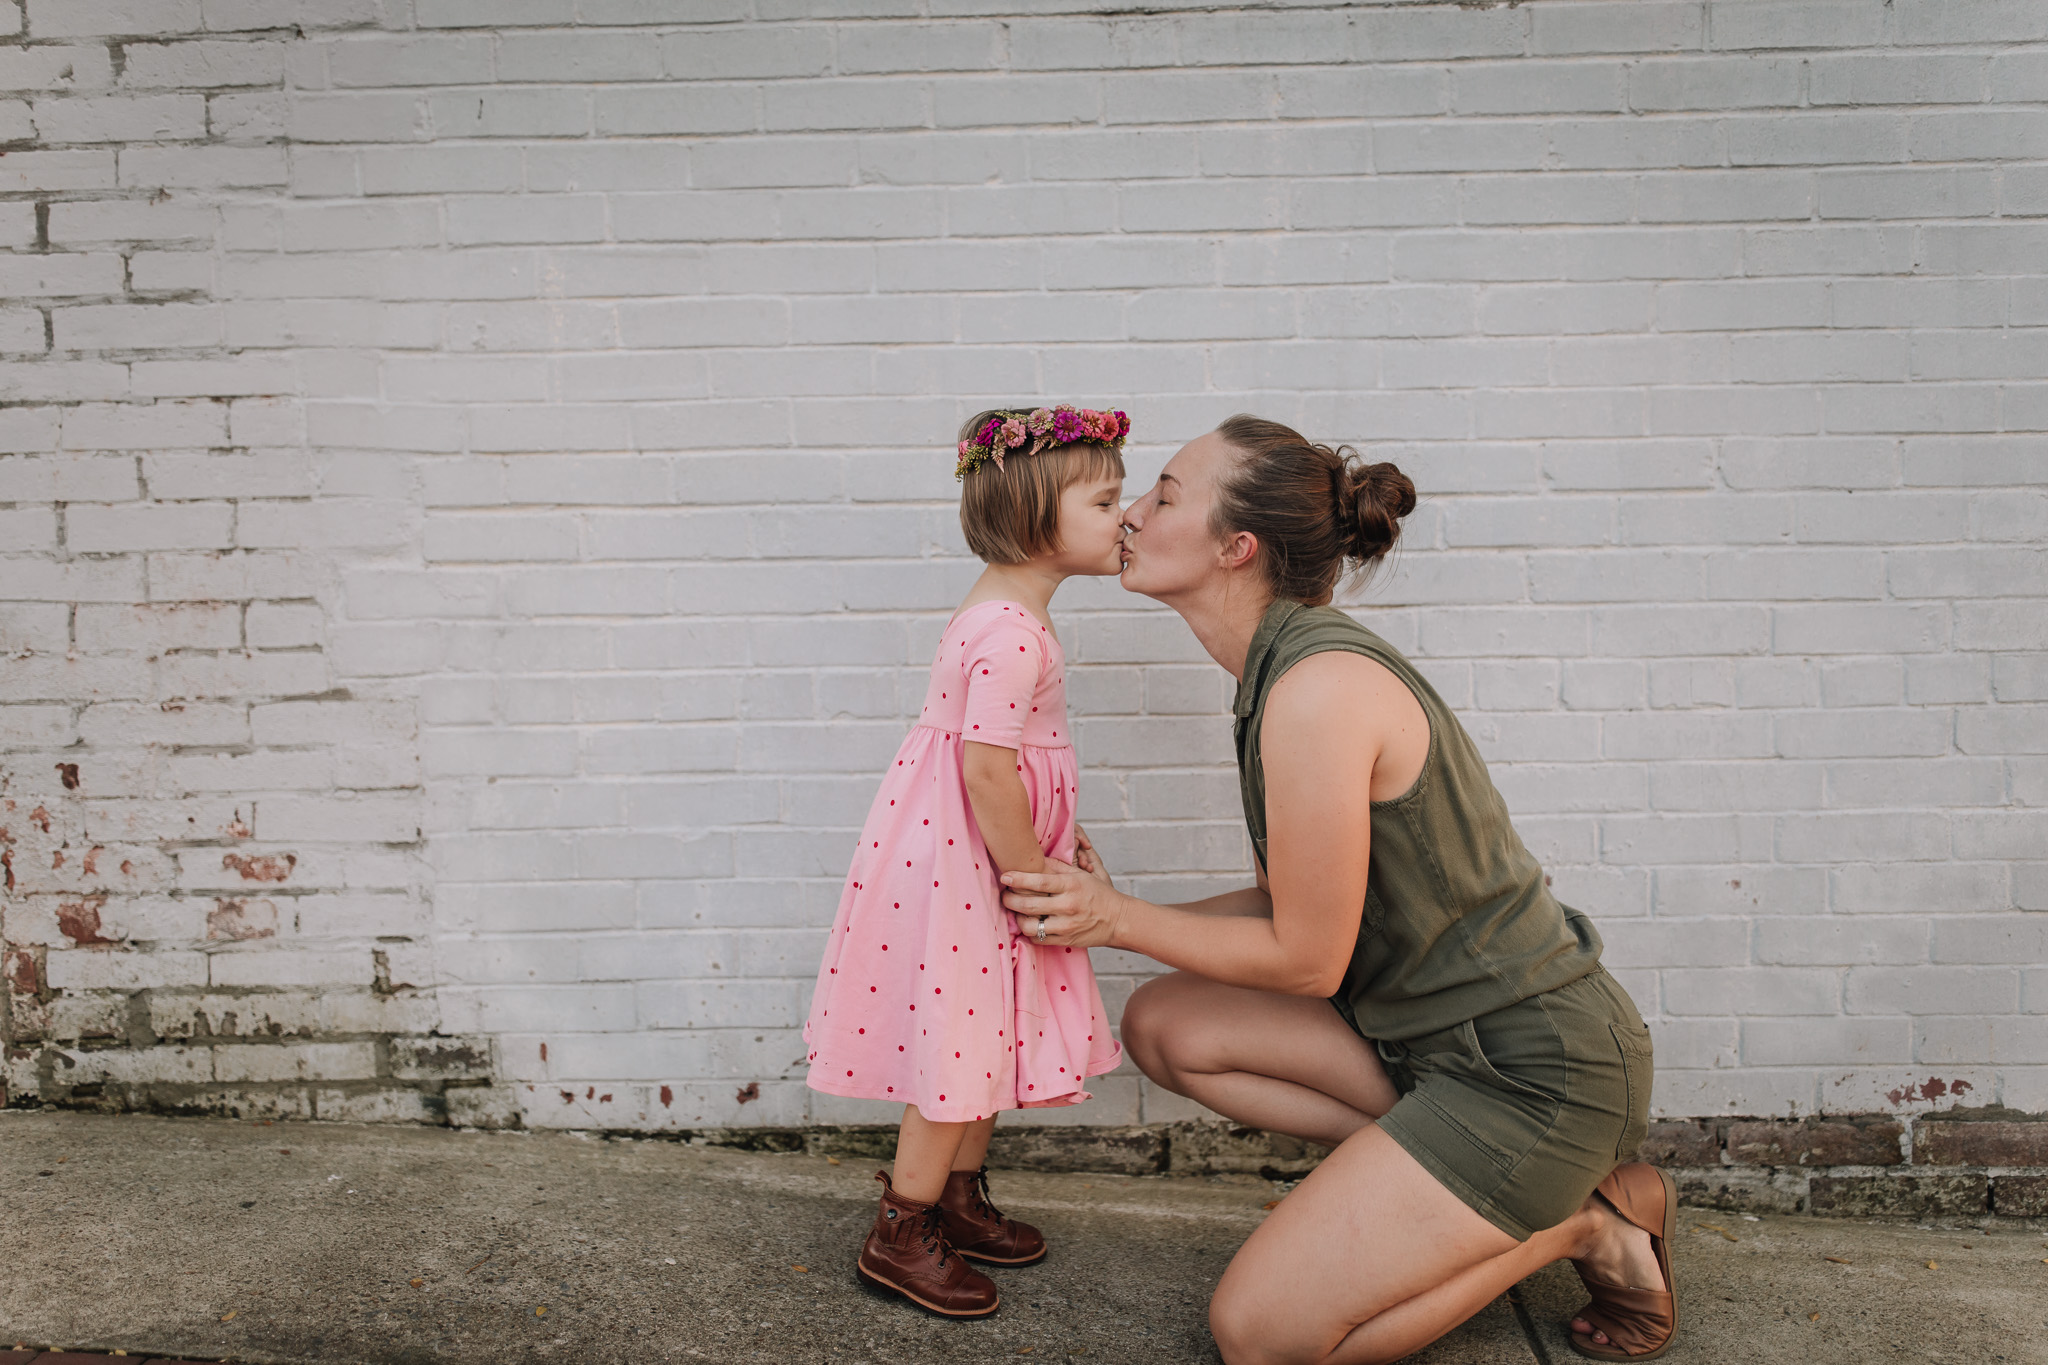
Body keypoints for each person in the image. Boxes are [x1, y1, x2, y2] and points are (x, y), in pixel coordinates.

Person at [1000, 416, 1679, 1363]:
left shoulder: (1316, 689)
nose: (1134, 513)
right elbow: (1300, 908)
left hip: (1534, 1070)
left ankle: (1581, 1224)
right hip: (1428, 1040)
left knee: (1263, 1337)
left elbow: (1308, 959)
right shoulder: (1281, 667)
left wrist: (1120, 916)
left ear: (1235, 548)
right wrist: (1111, 925)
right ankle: (1436, 1179)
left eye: (1162, 494)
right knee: (1164, 1022)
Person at [803, 405, 1129, 1317]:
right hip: (975, 863)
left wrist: (1059, 838)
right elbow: (987, 769)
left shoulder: (1007, 612)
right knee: (962, 1039)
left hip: (973, 847)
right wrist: (1034, 871)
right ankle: (899, 1230)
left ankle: (956, 1197)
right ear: (1037, 516)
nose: (1125, 517)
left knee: (986, 1029)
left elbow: (1010, 762)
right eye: (1105, 501)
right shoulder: (1013, 634)